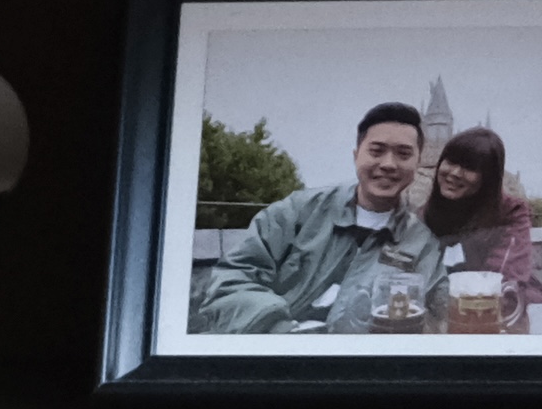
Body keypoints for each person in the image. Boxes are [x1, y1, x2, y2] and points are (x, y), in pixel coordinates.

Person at [189, 99, 443, 334]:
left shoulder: (421, 244)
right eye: (377, 151)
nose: (389, 164)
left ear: (419, 163)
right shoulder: (295, 212)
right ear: (356, 155)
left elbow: (435, 319)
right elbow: (232, 280)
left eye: (403, 154)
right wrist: (279, 330)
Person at [419, 122, 542, 332]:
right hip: (447, 317)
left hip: (502, 314)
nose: (455, 173)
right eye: (450, 162)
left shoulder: (510, 211)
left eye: (469, 168)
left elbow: (504, 279)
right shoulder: (424, 215)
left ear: (488, 178)